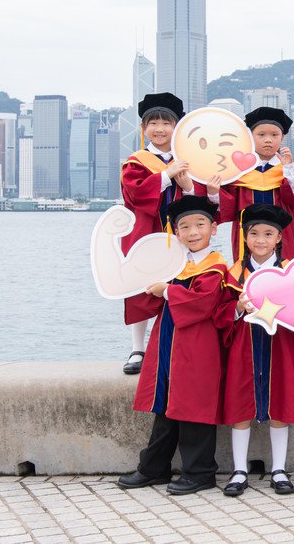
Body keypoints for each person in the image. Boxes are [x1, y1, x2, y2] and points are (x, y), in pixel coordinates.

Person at [118, 195, 228, 495]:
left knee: (194, 408)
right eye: (185, 227)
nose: (193, 232)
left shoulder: (216, 267)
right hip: (169, 343)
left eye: (200, 225)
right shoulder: (175, 264)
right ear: (175, 232)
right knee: (165, 407)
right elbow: (146, 298)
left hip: (198, 346)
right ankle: (154, 468)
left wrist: (167, 291)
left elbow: (203, 303)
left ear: (213, 229)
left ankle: (200, 473)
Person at [220, 203, 294, 496]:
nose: (260, 240)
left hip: (281, 347)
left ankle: (279, 469)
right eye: (254, 233)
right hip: (244, 348)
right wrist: (237, 307)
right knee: (240, 405)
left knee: (280, 404)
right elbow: (220, 313)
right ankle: (239, 470)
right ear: (244, 237)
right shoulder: (234, 273)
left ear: (279, 238)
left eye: (268, 234)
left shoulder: (292, 272)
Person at [119, 92, 195, 375]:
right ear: (143, 128)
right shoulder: (136, 162)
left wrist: (187, 186)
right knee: (140, 289)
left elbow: (198, 202)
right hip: (145, 235)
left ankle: (170, 345)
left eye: (166, 123)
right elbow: (135, 194)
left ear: (176, 128)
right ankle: (137, 348)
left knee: (177, 288)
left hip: (179, 237)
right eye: (153, 123)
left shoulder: (187, 160)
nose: (159, 129)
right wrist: (166, 174)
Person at [207, 107, 294, 261]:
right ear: (250, 137)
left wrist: (288, 170)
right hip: (246, 236)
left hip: (283, 236)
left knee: (283, 270)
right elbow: (228, 209)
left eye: (274, 135)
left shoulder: (289, 170)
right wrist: (213, 193)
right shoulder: (238, 172)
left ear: (283, 137)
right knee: (247, 270)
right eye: (261, 135)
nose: (268, 140)